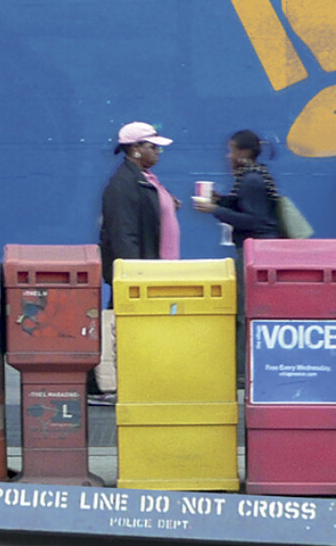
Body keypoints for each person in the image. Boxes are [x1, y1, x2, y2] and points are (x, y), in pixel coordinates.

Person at [193, 129, 279, 377]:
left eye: (231, 150)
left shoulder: (251, 180)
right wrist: (222, 201)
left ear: (243, 153)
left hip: (255, 251)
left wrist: (214, 209)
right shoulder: (255, 176)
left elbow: (255, 219)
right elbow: (248, 205)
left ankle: (242, 373)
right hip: (261, 250)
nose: (228, 156)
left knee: (245, 312)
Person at [99, 121, 178, 284]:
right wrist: (134, 276)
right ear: (135, 149)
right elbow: (123, 234)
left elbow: (148, 208)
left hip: (159, 271)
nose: (158, 151)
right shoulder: (123, 183)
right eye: (153, 147)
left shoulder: (145, 178)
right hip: (141, 277)